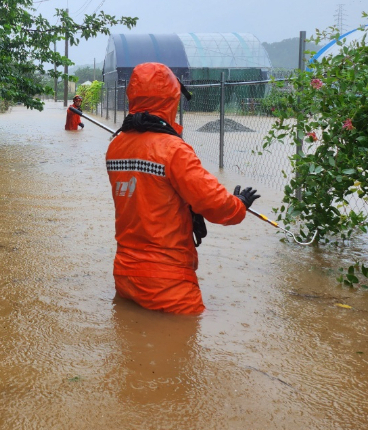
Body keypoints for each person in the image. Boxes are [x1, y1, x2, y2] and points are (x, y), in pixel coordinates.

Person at [105, 62, 260, 314]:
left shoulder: (116, 146)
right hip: (168, 283)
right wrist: (239, 204)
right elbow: (214, 204)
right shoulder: (174, 150)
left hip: (124, 277)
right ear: (172, 99)